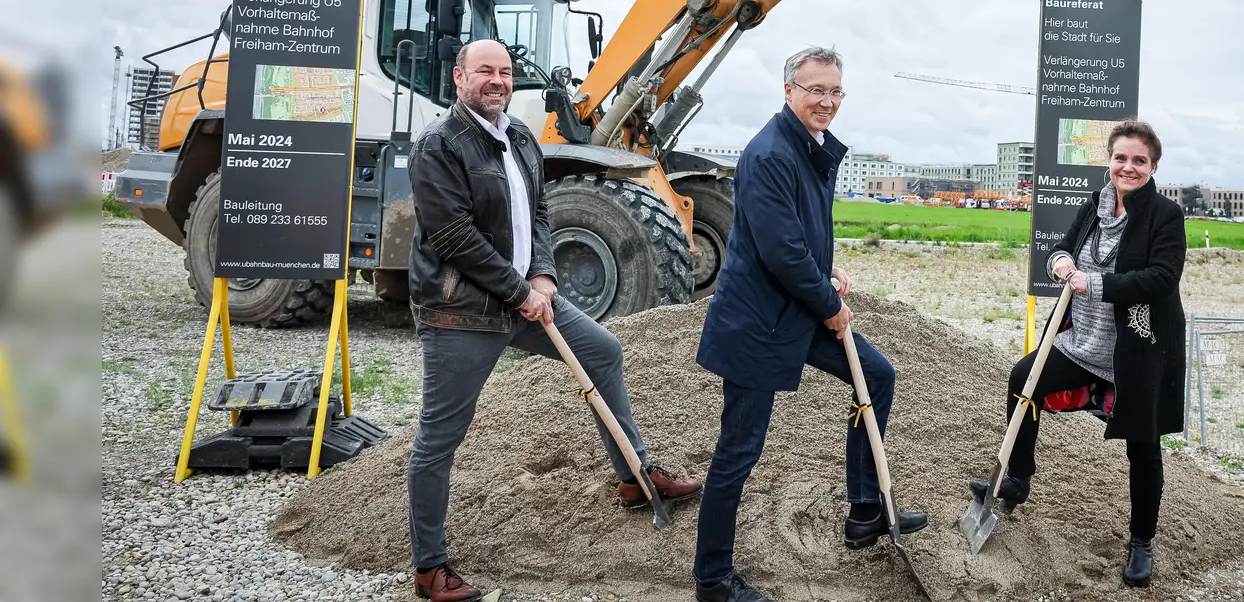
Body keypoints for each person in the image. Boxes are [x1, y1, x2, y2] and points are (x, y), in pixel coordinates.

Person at [405, 39, 702, 602]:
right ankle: (430, 568)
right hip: (462, 310)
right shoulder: (439, 146)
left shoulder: (518, 137)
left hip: (525, 297)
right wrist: (519, 290)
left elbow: (539, 210)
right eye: (484, 72)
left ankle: (635, 477)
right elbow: (453, 236)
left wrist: (542, 275)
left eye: (505, 72)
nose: (496, 81)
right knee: (440, 438)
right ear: (458, 78)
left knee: (603, 351)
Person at [691, 47, 927, 602]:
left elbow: (798, 239)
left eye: (834, 92)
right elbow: (781, 251)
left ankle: (865, 510)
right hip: (759, 322)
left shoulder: (809, 148)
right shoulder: (771, 154)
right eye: (815, 89)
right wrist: (828, 302)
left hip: (794, 309)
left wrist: (826, 272)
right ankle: (713, 581)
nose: (826, 101)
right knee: (738, 453)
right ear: (788, 90)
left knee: (877, 374)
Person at [969, 119, 1187, 589]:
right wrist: (1062, 262)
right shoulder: (1095, 204)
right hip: (1083, 340)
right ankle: (1017, 478)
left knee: (1143, 447)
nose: (1128, 167)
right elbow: (1062, 249)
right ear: (1109, 160)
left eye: (1139, 161)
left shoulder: (1165, 216)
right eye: (1121, 158)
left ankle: (1141, 542)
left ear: (1152, 166)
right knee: (1022, 379)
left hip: (1137, 350)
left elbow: (1162, 278)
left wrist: (1099, 282)